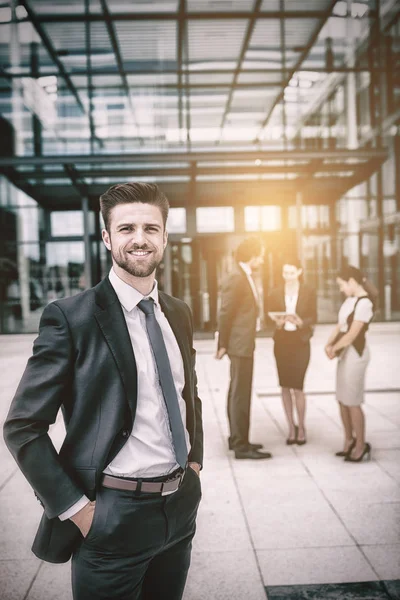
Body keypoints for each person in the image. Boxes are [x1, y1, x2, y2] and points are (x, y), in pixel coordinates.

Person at [3, 182, 203, 600]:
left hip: (179, 509)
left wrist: (195, 464)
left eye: (151, 228)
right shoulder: (71, 318)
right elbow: (23, 426)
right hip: (112, 516)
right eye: (126, 228)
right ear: (107, 237)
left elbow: (188, 393)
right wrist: (80, 511)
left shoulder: (179, 313)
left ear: (165, 237)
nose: (140, 238)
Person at [215, 237, 272, 460]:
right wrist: (222, 344)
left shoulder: (243, 275)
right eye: (261, 253)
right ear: (253, 254)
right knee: (241, 394)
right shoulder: (237, 277)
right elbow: (225, 313)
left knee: (237, 392)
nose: (263, 258)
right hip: (240, 346)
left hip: (242, 344)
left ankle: (238, 439)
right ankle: (241, 445)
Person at [325, 265, 375, 462]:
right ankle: (348, 440)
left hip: (356, 354)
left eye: (342, 285)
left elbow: (353, 334)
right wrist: (328, 344)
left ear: (352, 282)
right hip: (345, 354)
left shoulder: (365, 304)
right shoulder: (349, 301)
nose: (341, 289)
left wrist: (334, 348)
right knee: (342, 398)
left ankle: (361, 445)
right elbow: (340, 326)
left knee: (352, 401)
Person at [268, 260, 317, 446]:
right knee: (285, 386)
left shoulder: (308, 291)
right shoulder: (274, 292)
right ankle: (290, 427)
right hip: (282, 343)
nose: (287, 276)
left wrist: (301, 321)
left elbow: (314, 316)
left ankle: (302, 427)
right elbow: (268, 316)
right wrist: (277, 321)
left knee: (298, 386)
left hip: (300, 342)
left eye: (290, 272)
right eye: (284, 272)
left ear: (299, 272)